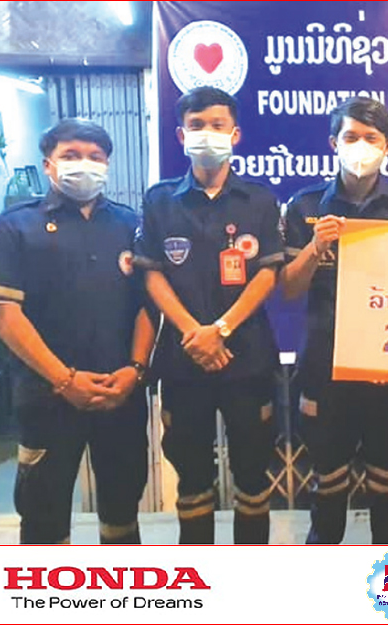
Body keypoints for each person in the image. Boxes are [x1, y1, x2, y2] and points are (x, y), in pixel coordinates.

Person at [0, 118, 154, 544]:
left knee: (122, 512)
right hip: (47, 397)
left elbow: (148, 306)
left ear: (107, 164)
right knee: (43, 516)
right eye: (70, 155)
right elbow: (3, 313)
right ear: (48, 164)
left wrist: (135, 369)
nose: (84, 164)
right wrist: (64, 379)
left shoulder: (130, 225)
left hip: (119, 394)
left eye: (95, 156)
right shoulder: (16, 225)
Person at [134, 87, 284, 544]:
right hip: (184, 360)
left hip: (247, 359)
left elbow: (267, 274)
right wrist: (194, 333)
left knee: (253, 477)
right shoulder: (160, 200)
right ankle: (198, 575)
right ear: (181, 135)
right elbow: (152, 275)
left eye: (217, 125)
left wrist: (220, 329)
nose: (207, 133)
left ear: (235, 134)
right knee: (193, 478)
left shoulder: (259, 200)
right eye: (196, 125)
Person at [281, 97, 388, 544]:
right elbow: (288, 289)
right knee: (327, 489)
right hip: (325, 370)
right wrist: (315, 247)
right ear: (334, 143)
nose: (360, 146)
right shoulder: (305, 206)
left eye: (371, 138)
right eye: (351, 137)